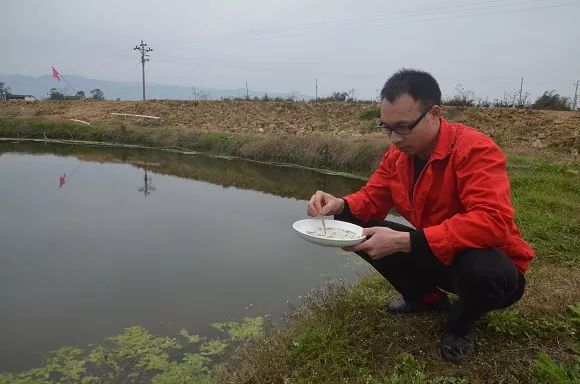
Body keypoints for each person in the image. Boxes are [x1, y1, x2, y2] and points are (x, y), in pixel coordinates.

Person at [307, 69, 534, 363]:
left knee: (484, 271)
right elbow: (371, 198)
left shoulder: (474, 149)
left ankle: (461, 324)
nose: (394, 139)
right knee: (352, 224)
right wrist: (338, 204)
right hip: (438, 253)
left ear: (434, 113)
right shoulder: (398, 156)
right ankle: (425, 299)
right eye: (386, 128)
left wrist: (406, 241)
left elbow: (494, 222)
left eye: (402, 127)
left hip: (490, 266)